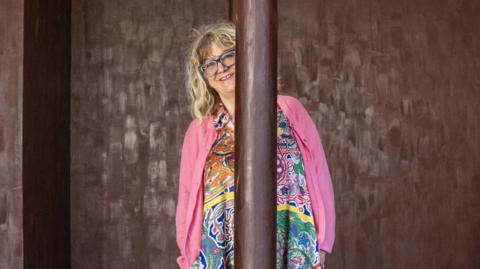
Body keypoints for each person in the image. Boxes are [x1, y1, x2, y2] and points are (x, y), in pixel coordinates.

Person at [176, 21, 335, 269]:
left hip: (294, 239)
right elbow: (187, 199)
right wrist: (188, 258)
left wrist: (322, 243)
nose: (221, 68)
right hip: (219, 249)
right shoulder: (199, 131)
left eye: (228, 56)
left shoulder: (290, 110)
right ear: (204, 77)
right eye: (210, 64)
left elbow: (319, 174)